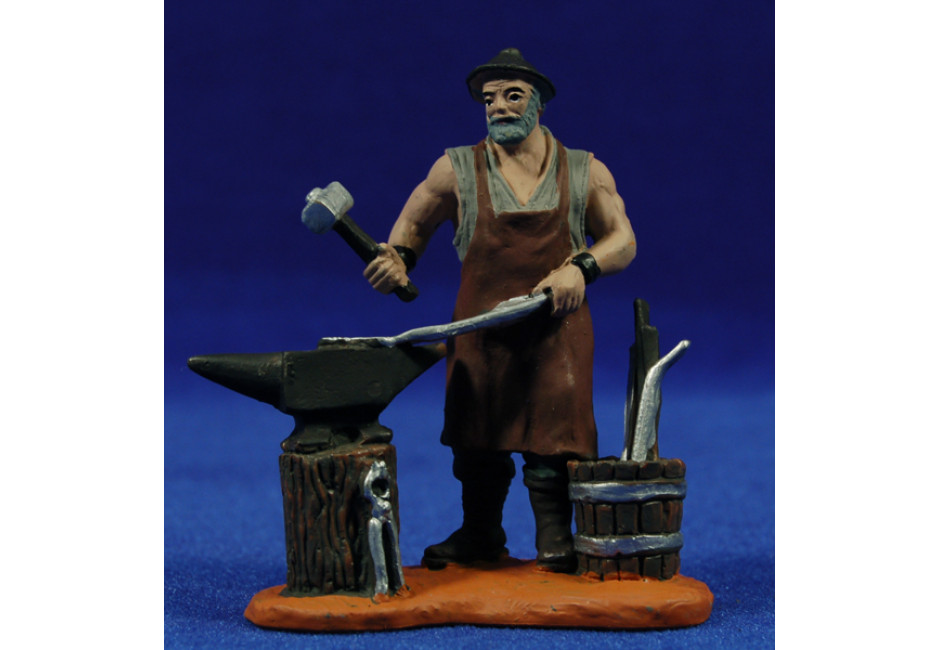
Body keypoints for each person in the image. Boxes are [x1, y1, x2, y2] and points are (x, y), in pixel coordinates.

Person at [365, 48, 636, 573]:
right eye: (490, 99)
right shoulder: (456, 169)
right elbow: (415, 225)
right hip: (481, 331)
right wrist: (397, 259)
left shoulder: (583, 170)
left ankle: (555, 535)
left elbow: (623, 240)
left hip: (555, 332)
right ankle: (481, 532)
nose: (499, 107)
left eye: (513, 95)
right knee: (476, 434)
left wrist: (582, 267)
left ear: (539, 104)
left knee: (555, 434)